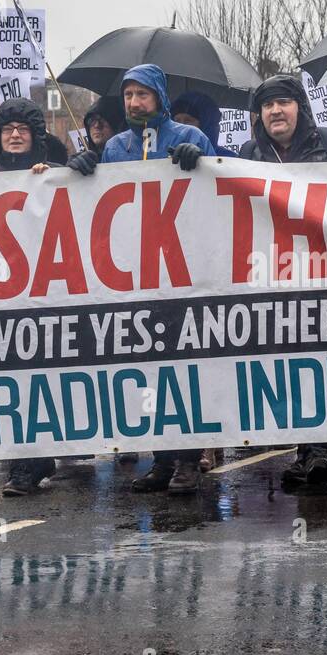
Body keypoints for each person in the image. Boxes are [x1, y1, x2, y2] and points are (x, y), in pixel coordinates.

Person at [232, 75, 327, 484]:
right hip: (273, 276)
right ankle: (307, 450)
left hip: (325, 273)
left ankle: (321, 449)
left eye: (283, 103)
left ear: (298, 108)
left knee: (324, 361)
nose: (275, 111)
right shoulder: (249, 153)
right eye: (267, 106)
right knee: (292, 365)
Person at [98, 64, 216, 494]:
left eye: (142, 94)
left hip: (183, 271)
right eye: (128, 95)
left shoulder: (190, 138)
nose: (134, 103)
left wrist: (200, 163)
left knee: (184, 370)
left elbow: (219, 188)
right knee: (149, 371)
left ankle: (188, 459)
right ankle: (162, 460)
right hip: (136, 274)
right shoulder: (115, 147)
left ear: (160, 98)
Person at [0, 97, 67, 495]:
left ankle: (29, 464)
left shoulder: (53, 175)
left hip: (47, 293)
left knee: (40, 380)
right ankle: (29, 460)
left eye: (23, 129)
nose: (15, 135)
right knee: (11, 381)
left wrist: (69, 173)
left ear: (36, 137)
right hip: (2, 294)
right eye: (7, 129)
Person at [171, 90, 237, 157]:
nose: (182, 126)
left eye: (188, 120)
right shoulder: (167, 155)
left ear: (206, 125)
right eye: (177, 121)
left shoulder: (230, 160)